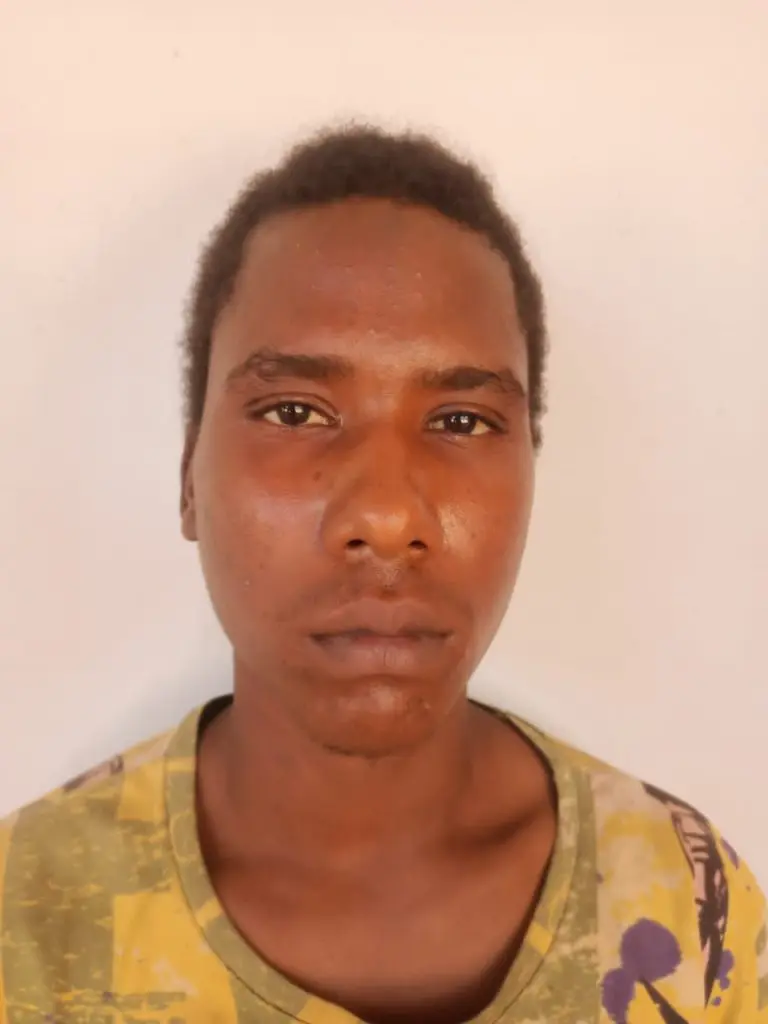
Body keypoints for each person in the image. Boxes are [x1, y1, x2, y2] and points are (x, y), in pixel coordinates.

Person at [0, 126, 764, 1024]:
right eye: (295, 412)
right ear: (189, 481)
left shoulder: (686, 901)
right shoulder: (27, 921)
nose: (387, 515)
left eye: (462, 421)